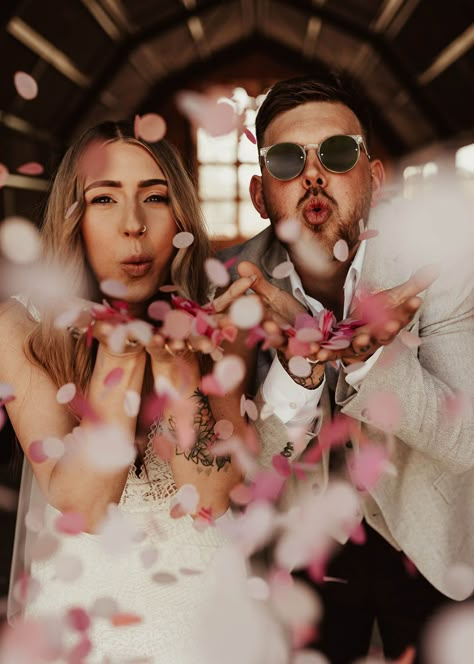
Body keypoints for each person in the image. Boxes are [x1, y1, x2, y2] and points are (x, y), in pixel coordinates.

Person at [218, 71, 474, 663]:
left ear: (375, 179)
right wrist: (301, 369)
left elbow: (466, 440)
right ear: (261, 195)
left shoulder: (441, 267)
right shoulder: (235, 286)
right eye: (286, 160)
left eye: (336, 153)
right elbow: (245, 478)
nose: (312, 173)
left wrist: (371, 364)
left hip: (429, 535)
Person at [0, 120, 257, 663]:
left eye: (155, 198)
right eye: (104, 200)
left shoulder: (221, 318)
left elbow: (210, 499)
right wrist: (120, 355)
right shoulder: (21, 325)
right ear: (73, 216)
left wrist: (176, 367)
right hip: (80, 622)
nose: (133, 225)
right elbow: (84, 506)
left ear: (181, 215)